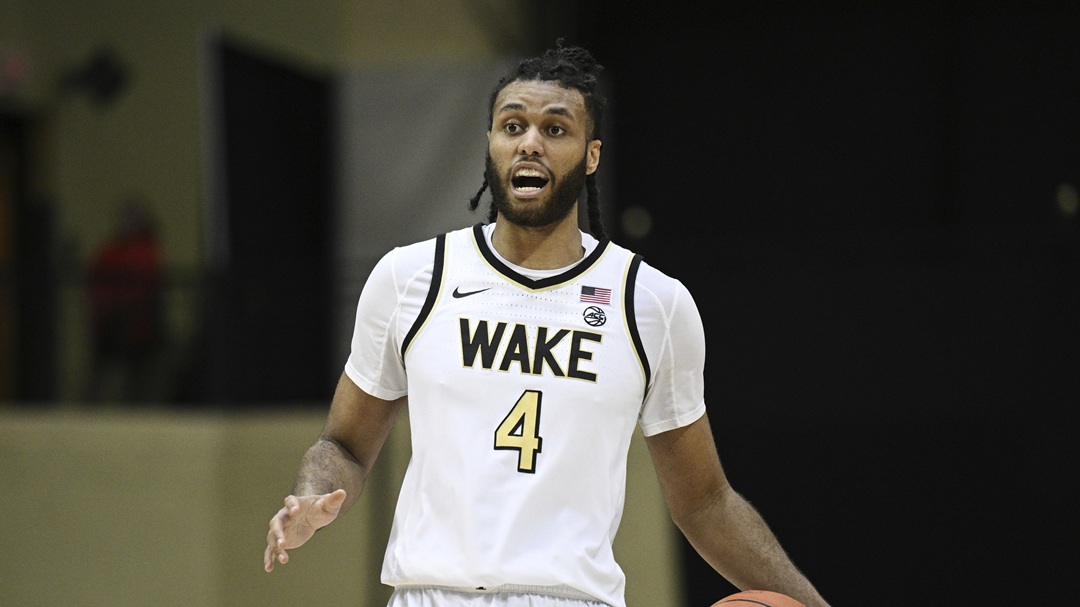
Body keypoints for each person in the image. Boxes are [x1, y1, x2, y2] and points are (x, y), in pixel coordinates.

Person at [264, 43, 830, 607]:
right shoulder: (411, 277)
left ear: (591, 156)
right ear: (490, 143)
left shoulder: (652, 302)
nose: (530, 141)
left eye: (555, 129)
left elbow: (705, 503)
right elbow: (344, 444)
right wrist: (310, 497)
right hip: (429, 595)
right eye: (513, 125)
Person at [85, 197, 163, 403]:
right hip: (110, 323)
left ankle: (138, 409)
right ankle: (89, 409)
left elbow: (149, 285)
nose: (127, 223)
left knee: (140, 375)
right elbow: (96, 284)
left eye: (133, 218)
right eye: (124, 218)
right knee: (100, 371)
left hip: (139, 326)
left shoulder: (147, 251)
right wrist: (107, 308)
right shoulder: (109, 252)